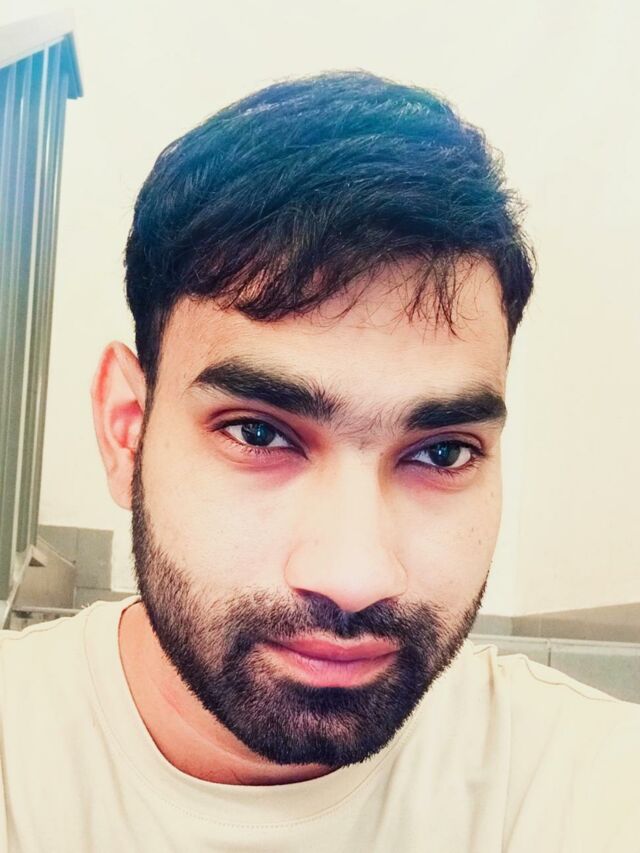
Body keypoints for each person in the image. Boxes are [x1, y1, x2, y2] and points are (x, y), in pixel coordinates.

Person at [1, 71, 638, 853]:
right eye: (259, 433)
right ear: (126, 430)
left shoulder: (581, 786)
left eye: (442, 451)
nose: (355, 575)